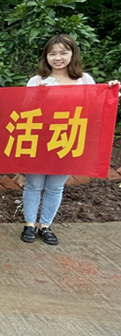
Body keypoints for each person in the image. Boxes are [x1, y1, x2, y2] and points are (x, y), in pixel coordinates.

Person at [21, 34, 119, 246]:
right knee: (34, 184)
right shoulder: (37, 81)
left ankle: (45, 226)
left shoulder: (85, 80)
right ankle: (29, 224)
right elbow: (25, 110)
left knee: (55, 186)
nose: (58, 58)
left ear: (72, 54)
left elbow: (95, 108)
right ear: (46, 57)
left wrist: (110, 91)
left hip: (68, 140)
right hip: (39, 140)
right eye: (52, 54)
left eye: (63, 53)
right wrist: (38, 96)